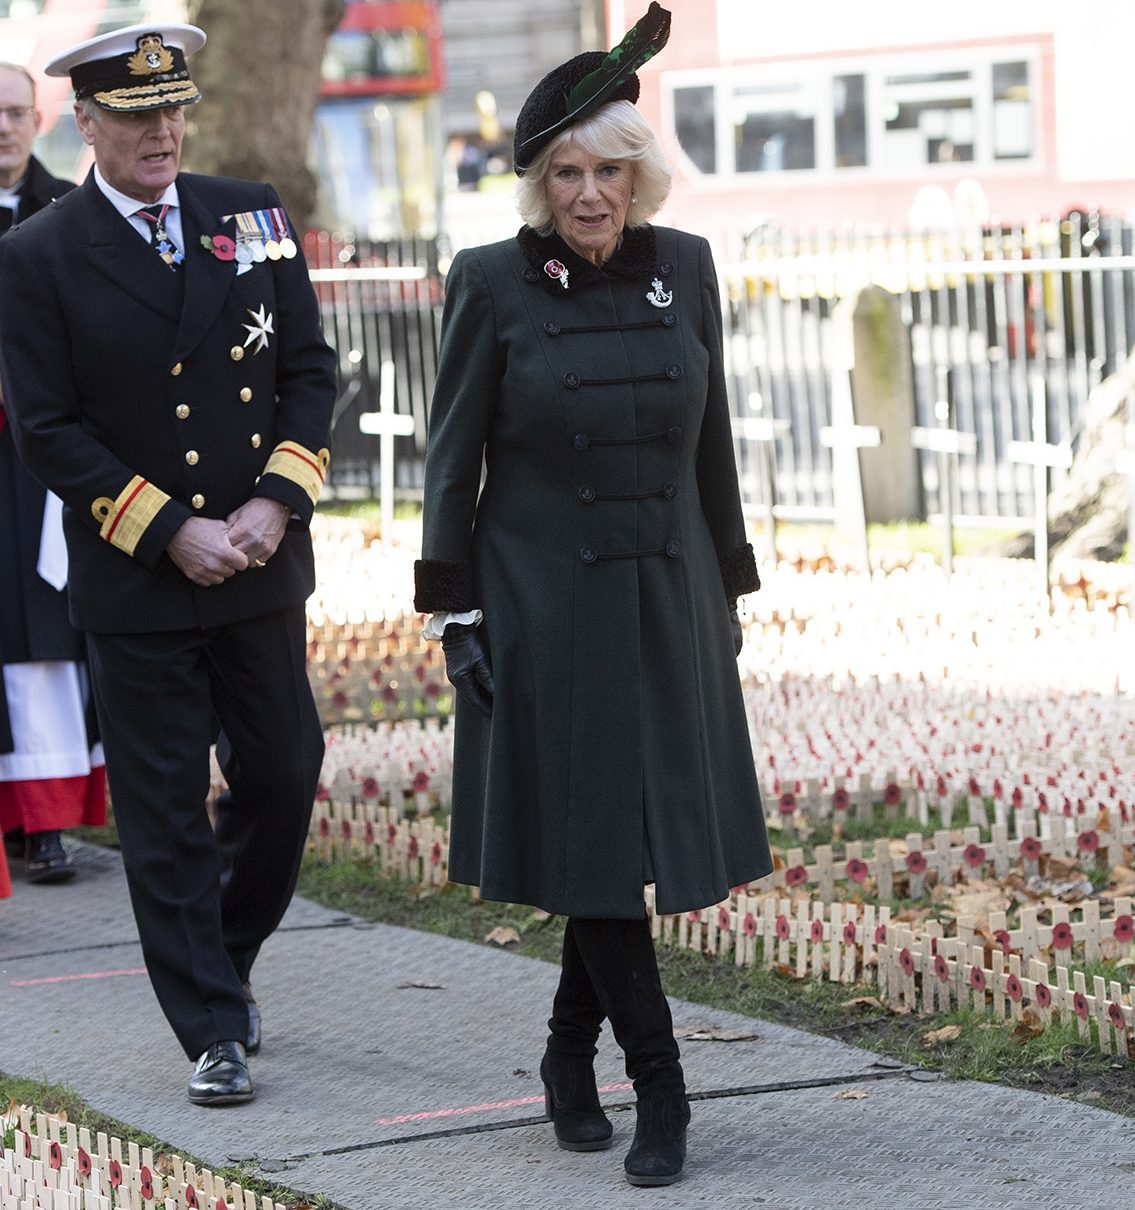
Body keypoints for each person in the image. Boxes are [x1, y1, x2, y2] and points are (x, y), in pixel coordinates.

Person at [413, 3, 771, 1188]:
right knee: (603, 844)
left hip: (666, 604)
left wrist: (727, 586)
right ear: (537, 183)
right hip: (539, 611)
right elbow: (451, 460)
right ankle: (661, 1089)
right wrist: (453, 609)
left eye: (608, 168)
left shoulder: (689, 269)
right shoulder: (489, 283)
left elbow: (709, 443)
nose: (588, 192)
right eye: (564, 171)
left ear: (640, 172)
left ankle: (570, 1056)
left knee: (614, 840)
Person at [0, 24, 335, 1106]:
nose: (164, 132)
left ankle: (221, 961)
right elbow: (47, 429)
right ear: (84, 124)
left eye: (173, 110)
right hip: (139, 575)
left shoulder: (249, 213)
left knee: (284, 774)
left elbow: (310, 372)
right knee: (162, 812)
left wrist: (275, 504)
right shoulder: (37, 254)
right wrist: (166, 529)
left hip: (257, 560)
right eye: (137, 116)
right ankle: (210, 1024)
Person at [0, 61, 107, 886]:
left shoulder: (73, 213)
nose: (2, 128)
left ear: (38, 120)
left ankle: (41, 820)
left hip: (38, 460)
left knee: (42, 630)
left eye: (12, 113)